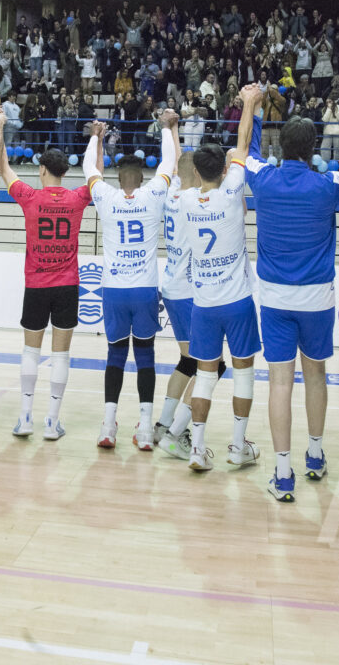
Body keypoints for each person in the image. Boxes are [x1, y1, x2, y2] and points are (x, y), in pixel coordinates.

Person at [240, 88, 339, 501]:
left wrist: (251, 107)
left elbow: (244, 151)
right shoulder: (327, 185)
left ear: (281, 146)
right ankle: (316, 455)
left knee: (280, 383)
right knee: (317, 375)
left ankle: (283, 474)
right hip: (317, 299)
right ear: (314, 148)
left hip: (274, 298)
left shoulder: (263, 178)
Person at [176, 98, 261, 473]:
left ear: (195, 172)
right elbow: (242, 144)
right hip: (238, 301)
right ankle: (238, 447)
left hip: (204, 304)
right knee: (243, 372)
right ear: (225, 170)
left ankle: (196, 449)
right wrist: (251, 102)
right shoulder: (231, 193)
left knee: (205, 376)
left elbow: (181, 168)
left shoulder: (184, 200)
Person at [82, 112, 175, 448]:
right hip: (145, 289)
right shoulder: (153, 196)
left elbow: (89, 170)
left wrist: (96, 136)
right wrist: (166, 127)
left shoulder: (106, 198)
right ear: (141, 176)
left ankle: (108, 426)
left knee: (115, 355)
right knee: (147, 355)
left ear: (120, 178)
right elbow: (169, 163)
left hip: (114, 290)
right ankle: (147, 429)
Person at [0, 134, 92, 441]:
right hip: (67, 285)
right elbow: (96, 176)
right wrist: (96, 139)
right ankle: (52, 422)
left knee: (30, 351)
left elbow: (3, 168)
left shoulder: (29, 196)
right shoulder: (77, 198)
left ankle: (25, 418)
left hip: (36, 284)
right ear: (64, 172)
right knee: (61, 355)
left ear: (42, 170)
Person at [154, 143, 201, 459]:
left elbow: (175, 161)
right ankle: (175, 433)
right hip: (187, 291)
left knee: (188, 361)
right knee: (209, 365)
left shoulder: (171, 194)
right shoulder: (193, 201)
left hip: (172, 285)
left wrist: (171, 130)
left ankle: (163, 423)